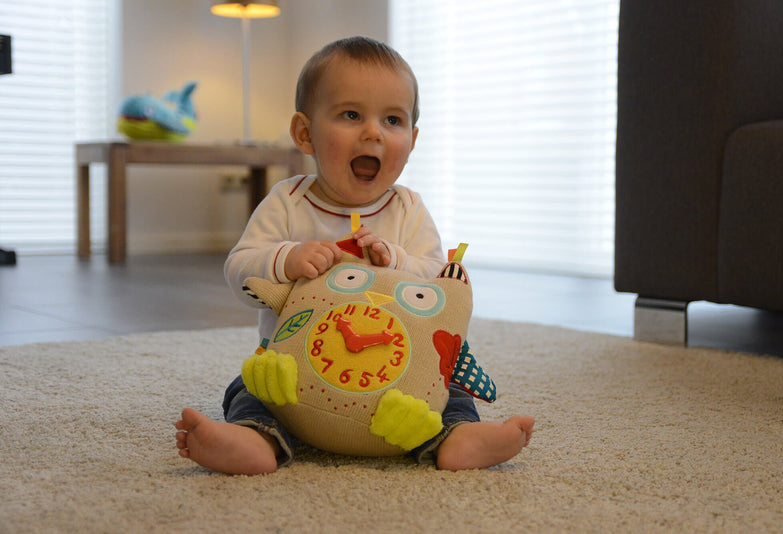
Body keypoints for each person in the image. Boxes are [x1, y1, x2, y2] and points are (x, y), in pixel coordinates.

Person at [175, 36, 534, 475]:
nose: (373, 132)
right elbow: (239, 270)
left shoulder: (408, 209)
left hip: (400, 381)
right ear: (304, 133)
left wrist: (396, 260)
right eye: (351, 115)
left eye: (392, 120)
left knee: (450, 392)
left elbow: (438, 283)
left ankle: (459, 436)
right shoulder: (287, 201)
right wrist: (286, 259)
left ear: (412, 140)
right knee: (251, 387)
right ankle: (253, 438)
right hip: (298, 377)